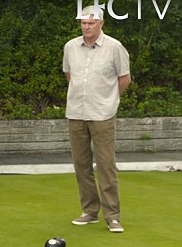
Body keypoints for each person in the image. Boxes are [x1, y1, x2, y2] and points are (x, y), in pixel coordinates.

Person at [63, 6, 131, 233]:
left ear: (101, 23)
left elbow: (124, 78)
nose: (86, 27)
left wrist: (108, 100)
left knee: (105, 165)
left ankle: (112, 216)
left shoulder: (115, 47)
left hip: (103, 114)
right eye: (83, 23)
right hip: (76, 113)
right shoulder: (70, 47)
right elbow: (69, 75)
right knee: (81, 165)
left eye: (91, 23)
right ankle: (90, 211)